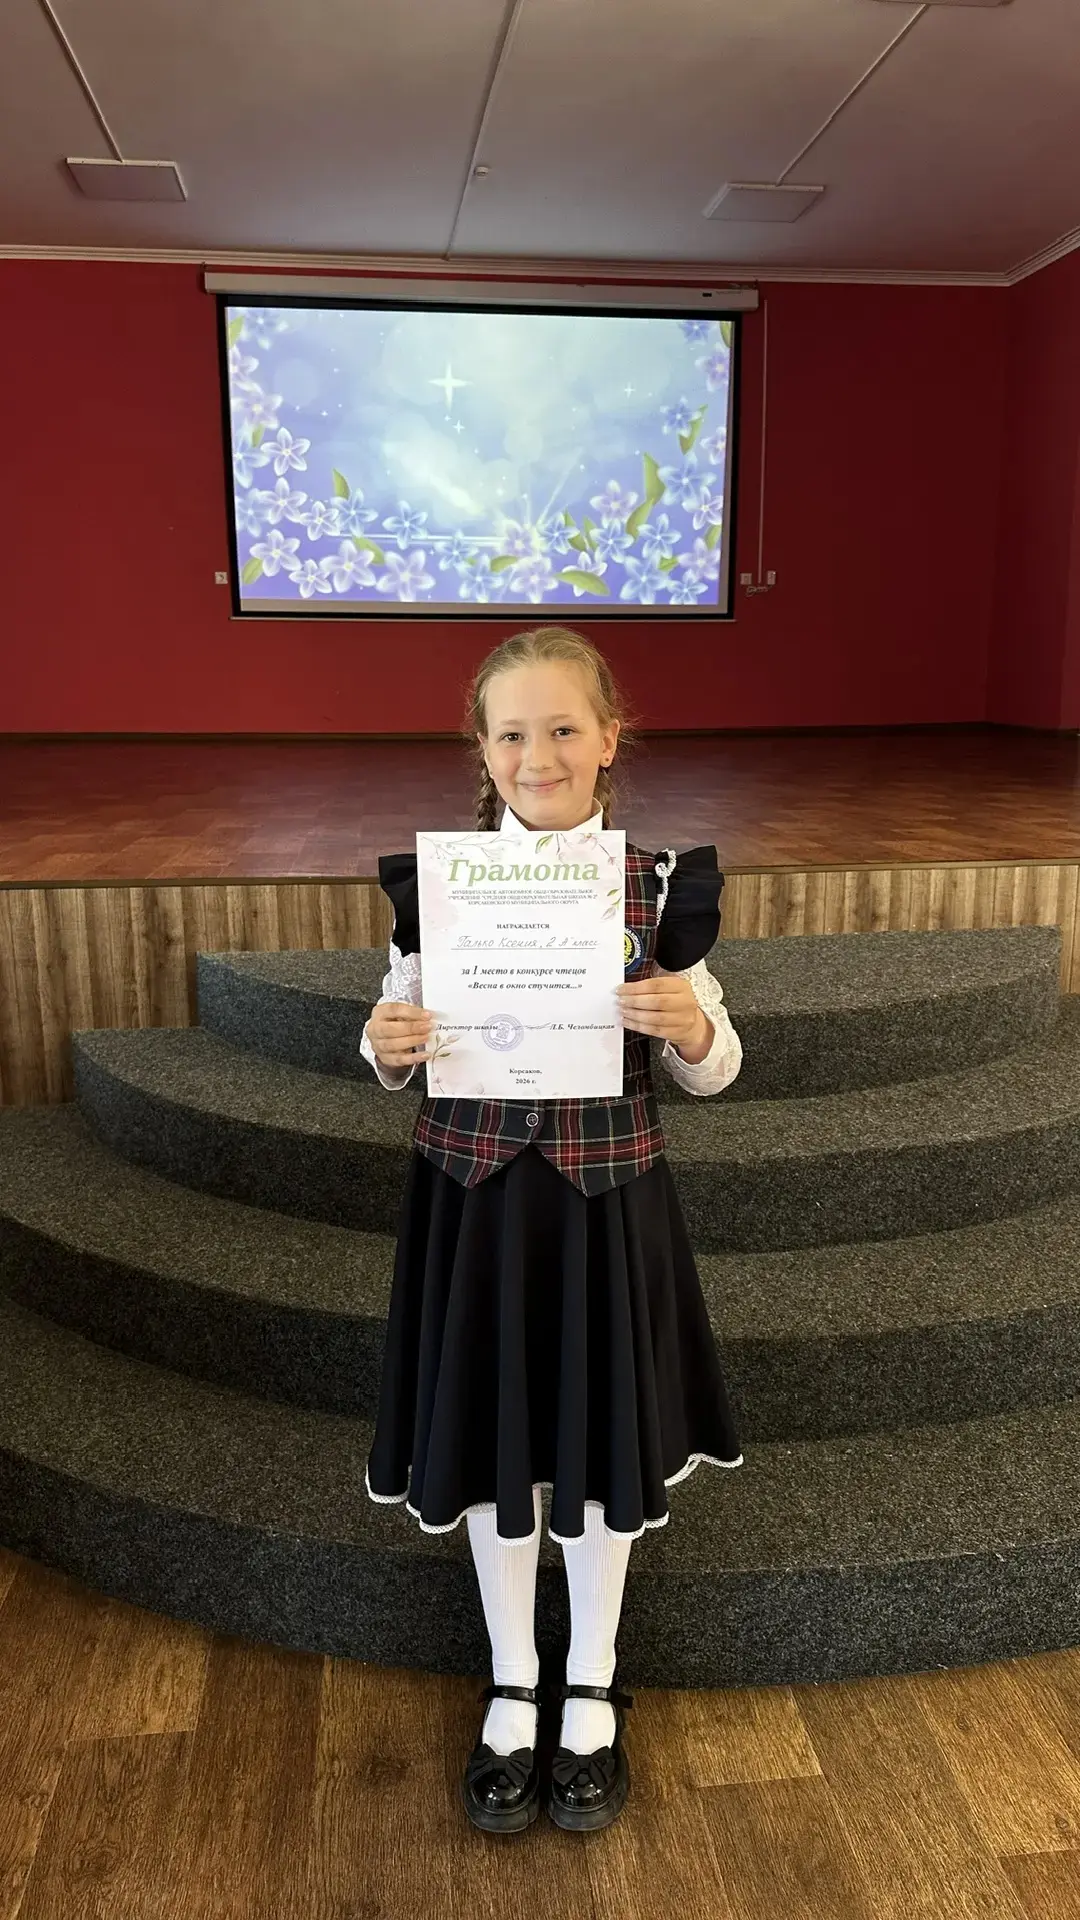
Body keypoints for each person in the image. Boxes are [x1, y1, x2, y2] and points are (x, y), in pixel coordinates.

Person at [359, 624, 744, 1836]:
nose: (540, 755)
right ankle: (514, 1675)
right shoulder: (439, 890)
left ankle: (591, 1681)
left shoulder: (661, 888)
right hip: (475, 1209)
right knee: (495, 1443)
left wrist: (689, 1026)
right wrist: (383, 1042)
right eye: (514, 733)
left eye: (564, 728)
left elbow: (715, 1067)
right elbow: (394, 1030)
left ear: (609, 738)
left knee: (595, 1445)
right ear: (482, 749)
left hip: (602, 1210)